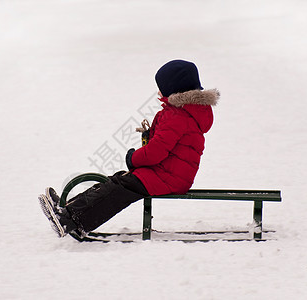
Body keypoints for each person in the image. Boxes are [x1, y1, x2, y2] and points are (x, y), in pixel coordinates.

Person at [39, 59, 220, 238]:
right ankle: (69, 211)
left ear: (174, 90)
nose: (158, 91)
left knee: (121, 187)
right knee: (118, 181)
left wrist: (132, 158)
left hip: (168, 177)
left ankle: (70, 219)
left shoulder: (177, 116)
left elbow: (155, 153)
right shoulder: (184, 113)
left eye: (161, 87)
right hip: (168, 174)